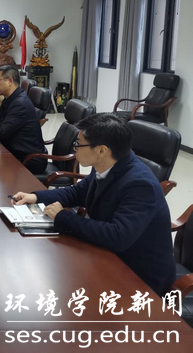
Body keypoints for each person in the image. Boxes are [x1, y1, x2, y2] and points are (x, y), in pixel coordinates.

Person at [11, 114, 175, 296]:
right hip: (108, 255)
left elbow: (117, 237)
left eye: (78, 144)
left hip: (139, 276)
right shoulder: (108, 165)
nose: (74, 149)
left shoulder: (139, 185)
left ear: (101, 150)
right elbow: (77, 192)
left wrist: (63, 217)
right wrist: (36, 197)